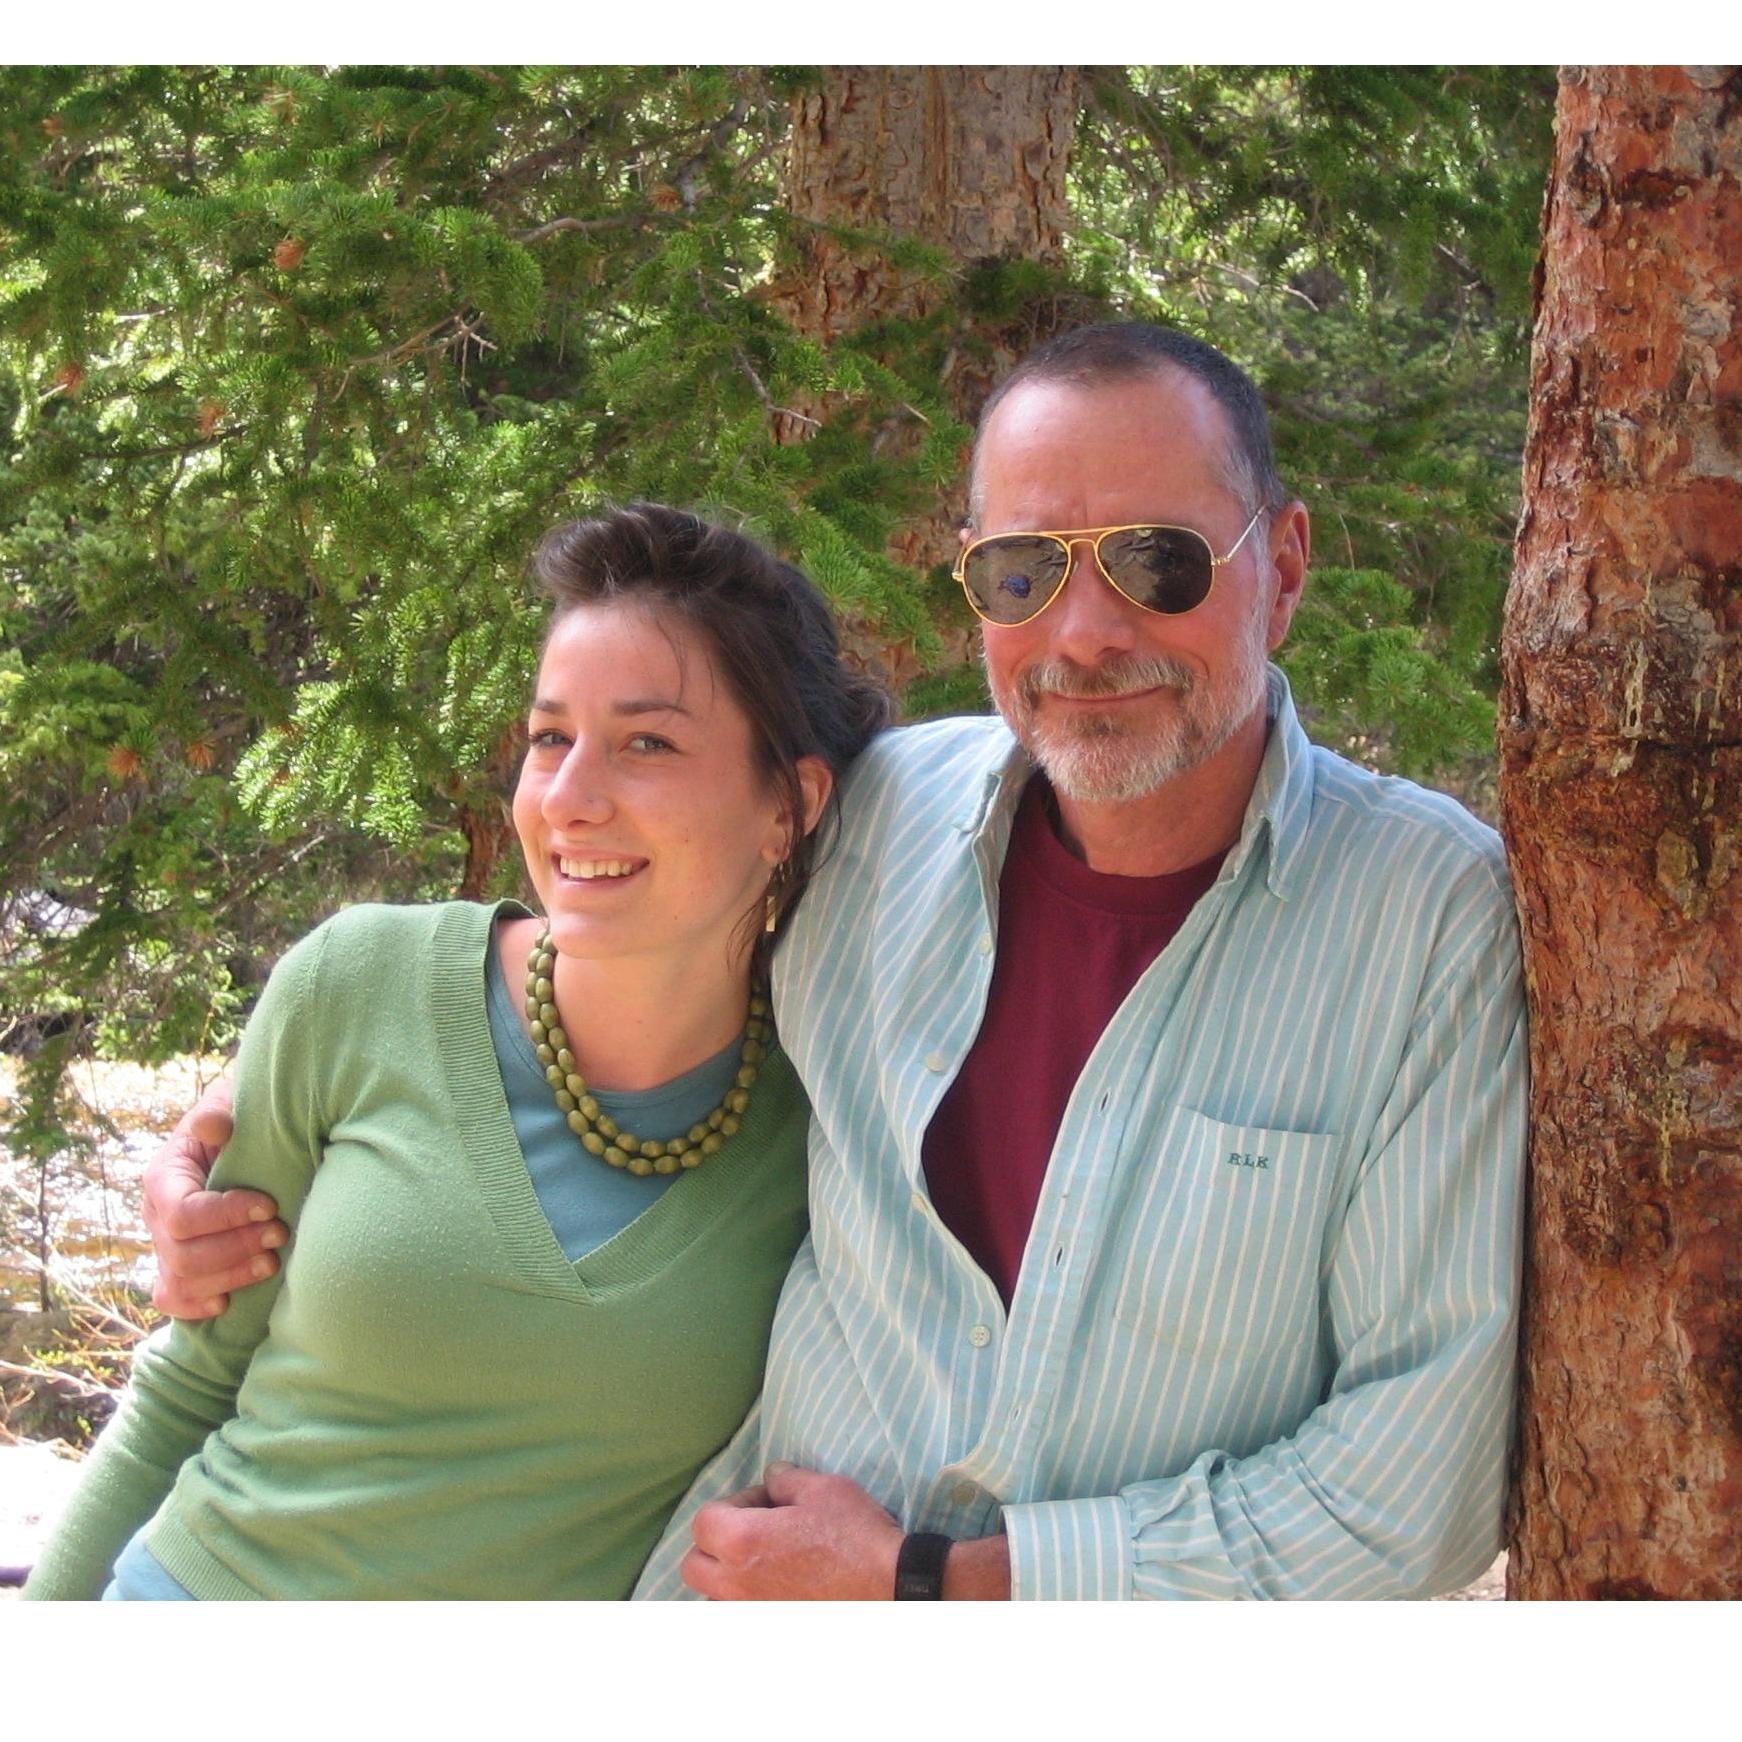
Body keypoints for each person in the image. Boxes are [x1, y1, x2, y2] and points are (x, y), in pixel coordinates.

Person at [141, 323, 1528, 1602]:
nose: (1084, 633)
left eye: (1156, 560)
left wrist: (934, 1586)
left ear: (1278, 564)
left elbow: (1412, 1485)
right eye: (1024, 571)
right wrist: (245, 1127)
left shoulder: (1425, 921)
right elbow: (624, 952)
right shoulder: (875, 818)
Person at [23, 503, 890, 1599]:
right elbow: (185, 1389)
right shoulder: (357, 983)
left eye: (648, 742)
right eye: (547, 738)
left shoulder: (829, 1119)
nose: (569, 799)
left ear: (790, 804)